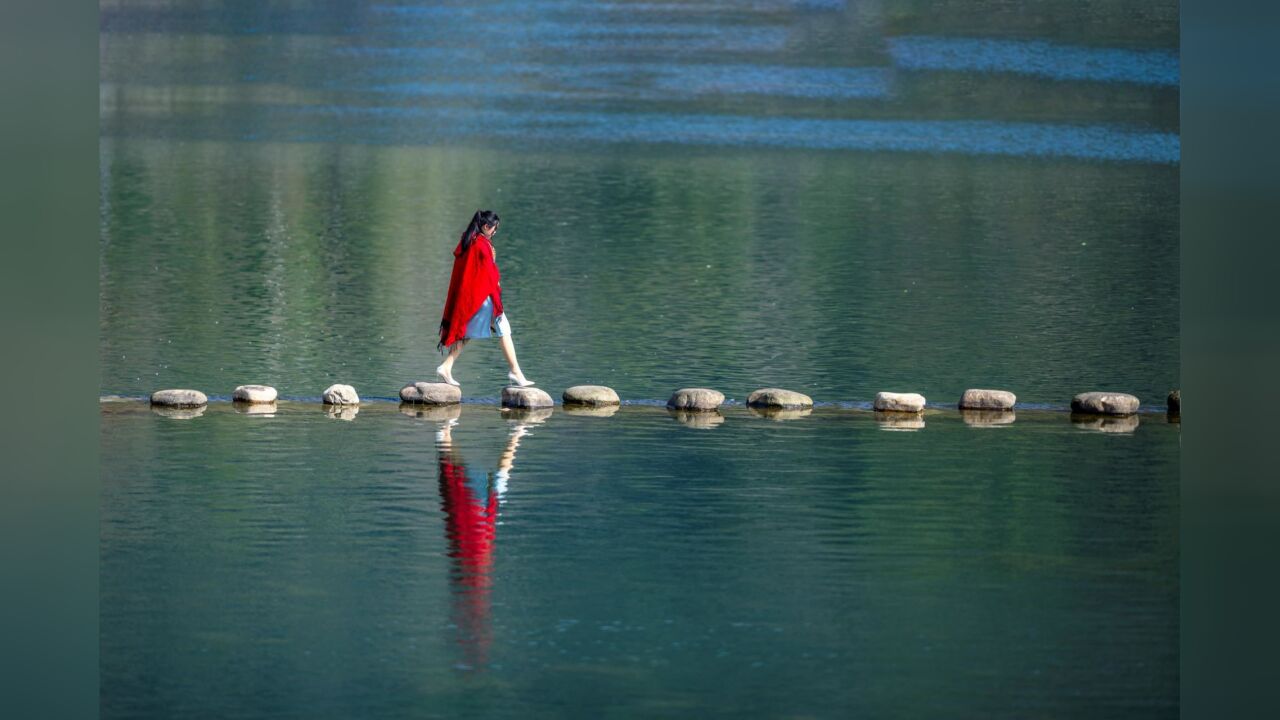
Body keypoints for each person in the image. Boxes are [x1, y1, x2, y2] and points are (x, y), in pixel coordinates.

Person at [436, 210, 534, 387]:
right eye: (494, 229)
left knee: (467, 332)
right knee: (504, 329)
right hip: (484, 298)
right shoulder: (480, 244)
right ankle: (515, 372)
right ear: (486, 226)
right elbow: (489, 274)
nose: (495, 233)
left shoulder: (470, 241)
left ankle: (446, 366)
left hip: (475, 297)